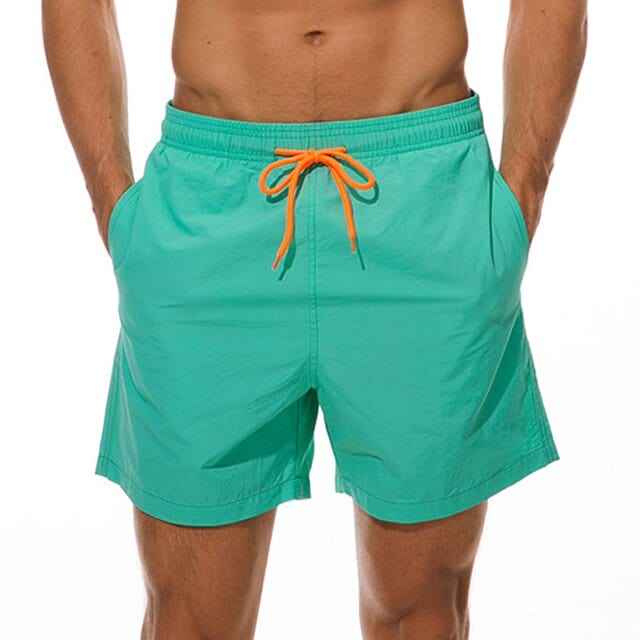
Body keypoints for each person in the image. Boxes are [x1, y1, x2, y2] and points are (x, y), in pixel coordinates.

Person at [43, 1, 588, 638]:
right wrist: (110, 199)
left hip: (423, 204)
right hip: (208, 211)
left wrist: (526, 187)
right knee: (188, 621)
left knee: (422, 615)